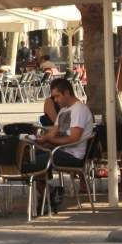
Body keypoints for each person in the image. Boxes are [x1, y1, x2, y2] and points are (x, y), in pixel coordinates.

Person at [26, 78, 95, 213]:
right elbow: (55, 132)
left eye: (57, 96)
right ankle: (49, 192)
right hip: (61, 151)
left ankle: (48, 194)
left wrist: (50, 141)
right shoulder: (64, 111)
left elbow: (74, 137)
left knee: (34, 163)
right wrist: (41, 139)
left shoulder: (79, 110)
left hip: (73, 155)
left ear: (67, 93)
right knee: (28, 158)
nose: (55, 100)